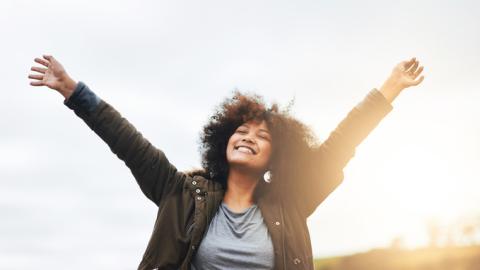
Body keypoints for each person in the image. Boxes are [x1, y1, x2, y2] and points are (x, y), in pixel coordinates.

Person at [28, 55, 424, 270]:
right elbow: (128, 141)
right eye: (242, 131)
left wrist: (389, 88)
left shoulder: (291, 203)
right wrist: (72, 90)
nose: (250, 137)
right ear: (225, 140)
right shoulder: (180, 192)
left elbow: (341, 144)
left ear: (276, 156)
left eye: (263, 136)